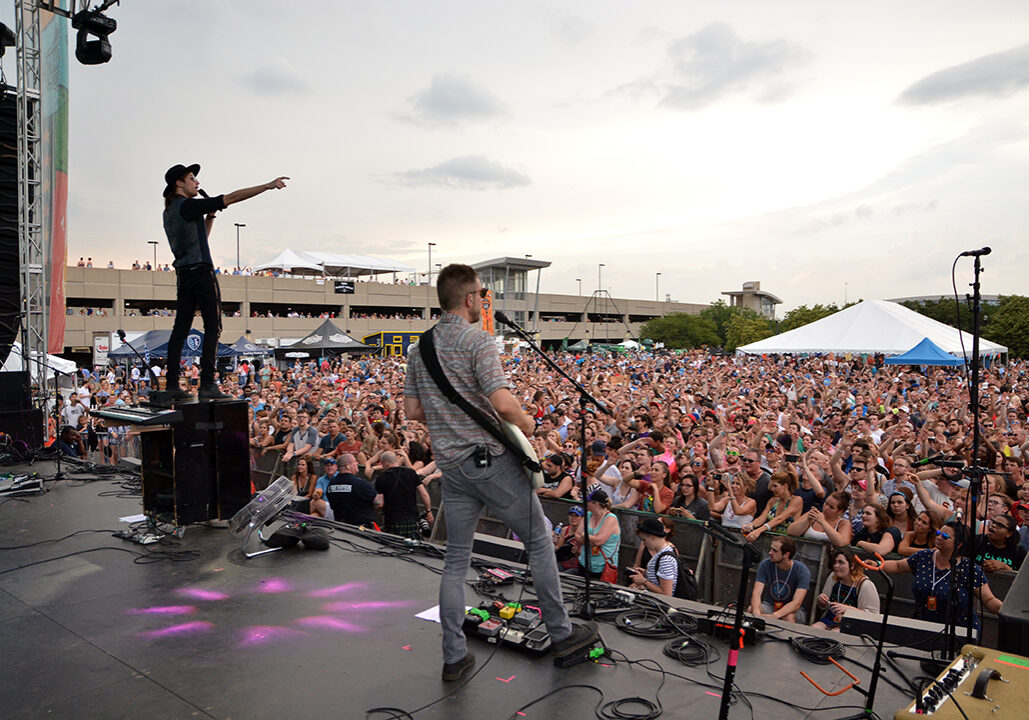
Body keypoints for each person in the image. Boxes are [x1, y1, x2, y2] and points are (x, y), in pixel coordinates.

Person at [403, 263, 596, 682]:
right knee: (540, 540)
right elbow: (504, 404)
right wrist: (528, 426)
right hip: (488, 461)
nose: (482, 302)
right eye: (481, 296)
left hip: (452, 468)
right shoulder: (478, 339)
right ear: (470, 298)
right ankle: (563, 634)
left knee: (456, 559)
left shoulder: (419, 348)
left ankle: (454, 657)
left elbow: (413, 412)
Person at [161, 163, 287, 400]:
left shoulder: (171, 211)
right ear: (179, 183)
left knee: (180, 330)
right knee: (214, 327)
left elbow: (199, 240)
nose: (197, 182)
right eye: (191, 178)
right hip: (201, 272)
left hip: (184, 274)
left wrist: (209, 218)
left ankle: (171, 386)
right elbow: (233, 197)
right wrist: (267, 186)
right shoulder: (190, 205)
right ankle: (208, 384)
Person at [876, 520, 1003, 629]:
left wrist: (1006, 611)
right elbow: (898, 566)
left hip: (958, 630)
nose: (939, 537)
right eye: (938, 533)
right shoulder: (924, 556)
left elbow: (989, 600)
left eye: (945, 536)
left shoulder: (969, 568)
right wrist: (878, 565)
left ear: (959, 544)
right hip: (924, 624)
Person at [811, 548, 880, 631]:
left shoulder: (865, 584)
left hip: (852, 624)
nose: (836, 566)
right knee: (814, 629)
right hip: (832, 619)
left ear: (852, 566)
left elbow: (873, 615)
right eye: (835, 562)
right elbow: (824, 606)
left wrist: (848, 609)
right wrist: (821, 601)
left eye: (841, 563)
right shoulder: (833, 577)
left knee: (834, 634)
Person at [750, 536, 811, 624]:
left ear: (786, 554)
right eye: (771, 549)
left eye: (775, 551)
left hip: (792, 610)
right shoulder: (765, 564)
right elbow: (756, 593)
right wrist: (756, 612)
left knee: (788, 617)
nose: (770, 553)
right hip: (770, 605)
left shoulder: (802, 571)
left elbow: (797, 602)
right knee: (751, 609)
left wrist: (775, 615)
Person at [373, 451, 433, 538]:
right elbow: (424, 494)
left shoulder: (381, 478)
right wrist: (428, 511)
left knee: (393, 547)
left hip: (392, 519)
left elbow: (380, 503)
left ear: (385, 463)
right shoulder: (411, 473)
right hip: (411, 518)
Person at [626, 516, 679, 596]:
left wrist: (644, 581)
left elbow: (667, 594)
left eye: (644, 540)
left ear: (652, 537)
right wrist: (646, 573)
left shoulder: (665, 559)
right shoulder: (661, 554)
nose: (644, 543)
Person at [325, 453, 382, 527]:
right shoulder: (360, 484)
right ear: (348, 466)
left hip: (341, 527)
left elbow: (332, 505)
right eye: (355, 462)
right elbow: (378, 502)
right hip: (362, 528)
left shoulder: (331, 484)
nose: (357, 463)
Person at [575, 489, 621, 578]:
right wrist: (591, 540)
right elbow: (577, 535)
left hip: (602, 568)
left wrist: (585, 536)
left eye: (588, 501)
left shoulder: (611, 518)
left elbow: (599, 541)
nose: (586, 503)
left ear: (595, 503)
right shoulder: (588, 515)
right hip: (584, 563)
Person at [788, 490, 853, 547]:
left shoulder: (844, 523)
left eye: (831, 507)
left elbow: (841, 542)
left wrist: (823, 522)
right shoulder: (813, 514)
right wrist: (807, 519)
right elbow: (791, 531)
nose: (826, 508)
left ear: (840, 511)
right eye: (826, 503)